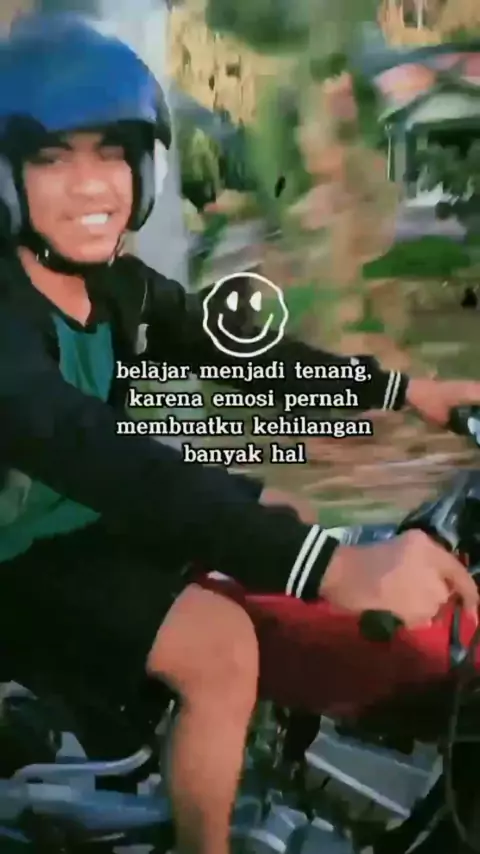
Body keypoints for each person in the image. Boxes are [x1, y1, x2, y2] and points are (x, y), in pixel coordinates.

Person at [0, 13, 478, 854]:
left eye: (113, 153)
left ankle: (246, 760)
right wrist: (332, 568)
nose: (92, 186)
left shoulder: (118, 287)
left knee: (280, 526)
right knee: (221, 650)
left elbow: (240, 351)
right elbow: (95, 452)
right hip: (19, 560)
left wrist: (406, 390)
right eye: (52, 158)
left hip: (88, 526)